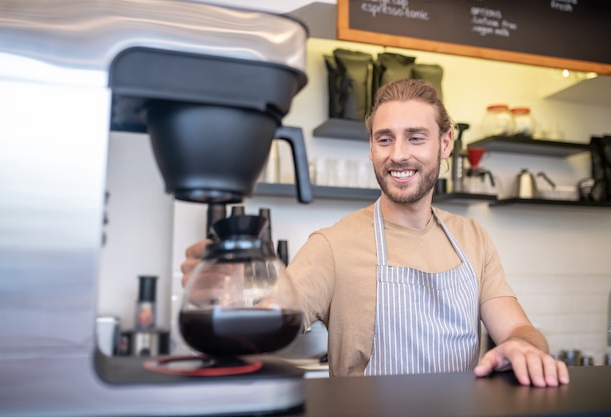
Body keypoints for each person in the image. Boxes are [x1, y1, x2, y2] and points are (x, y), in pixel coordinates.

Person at [181, 79, 569, 387]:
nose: (398, 154)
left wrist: (523, 348)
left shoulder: (473, 238)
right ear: (371, 147)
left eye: (416, 137)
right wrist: (224, 296)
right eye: (385, 139)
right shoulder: (332, 245)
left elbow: (518, 329)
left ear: (445, 143)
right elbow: (265, 324)